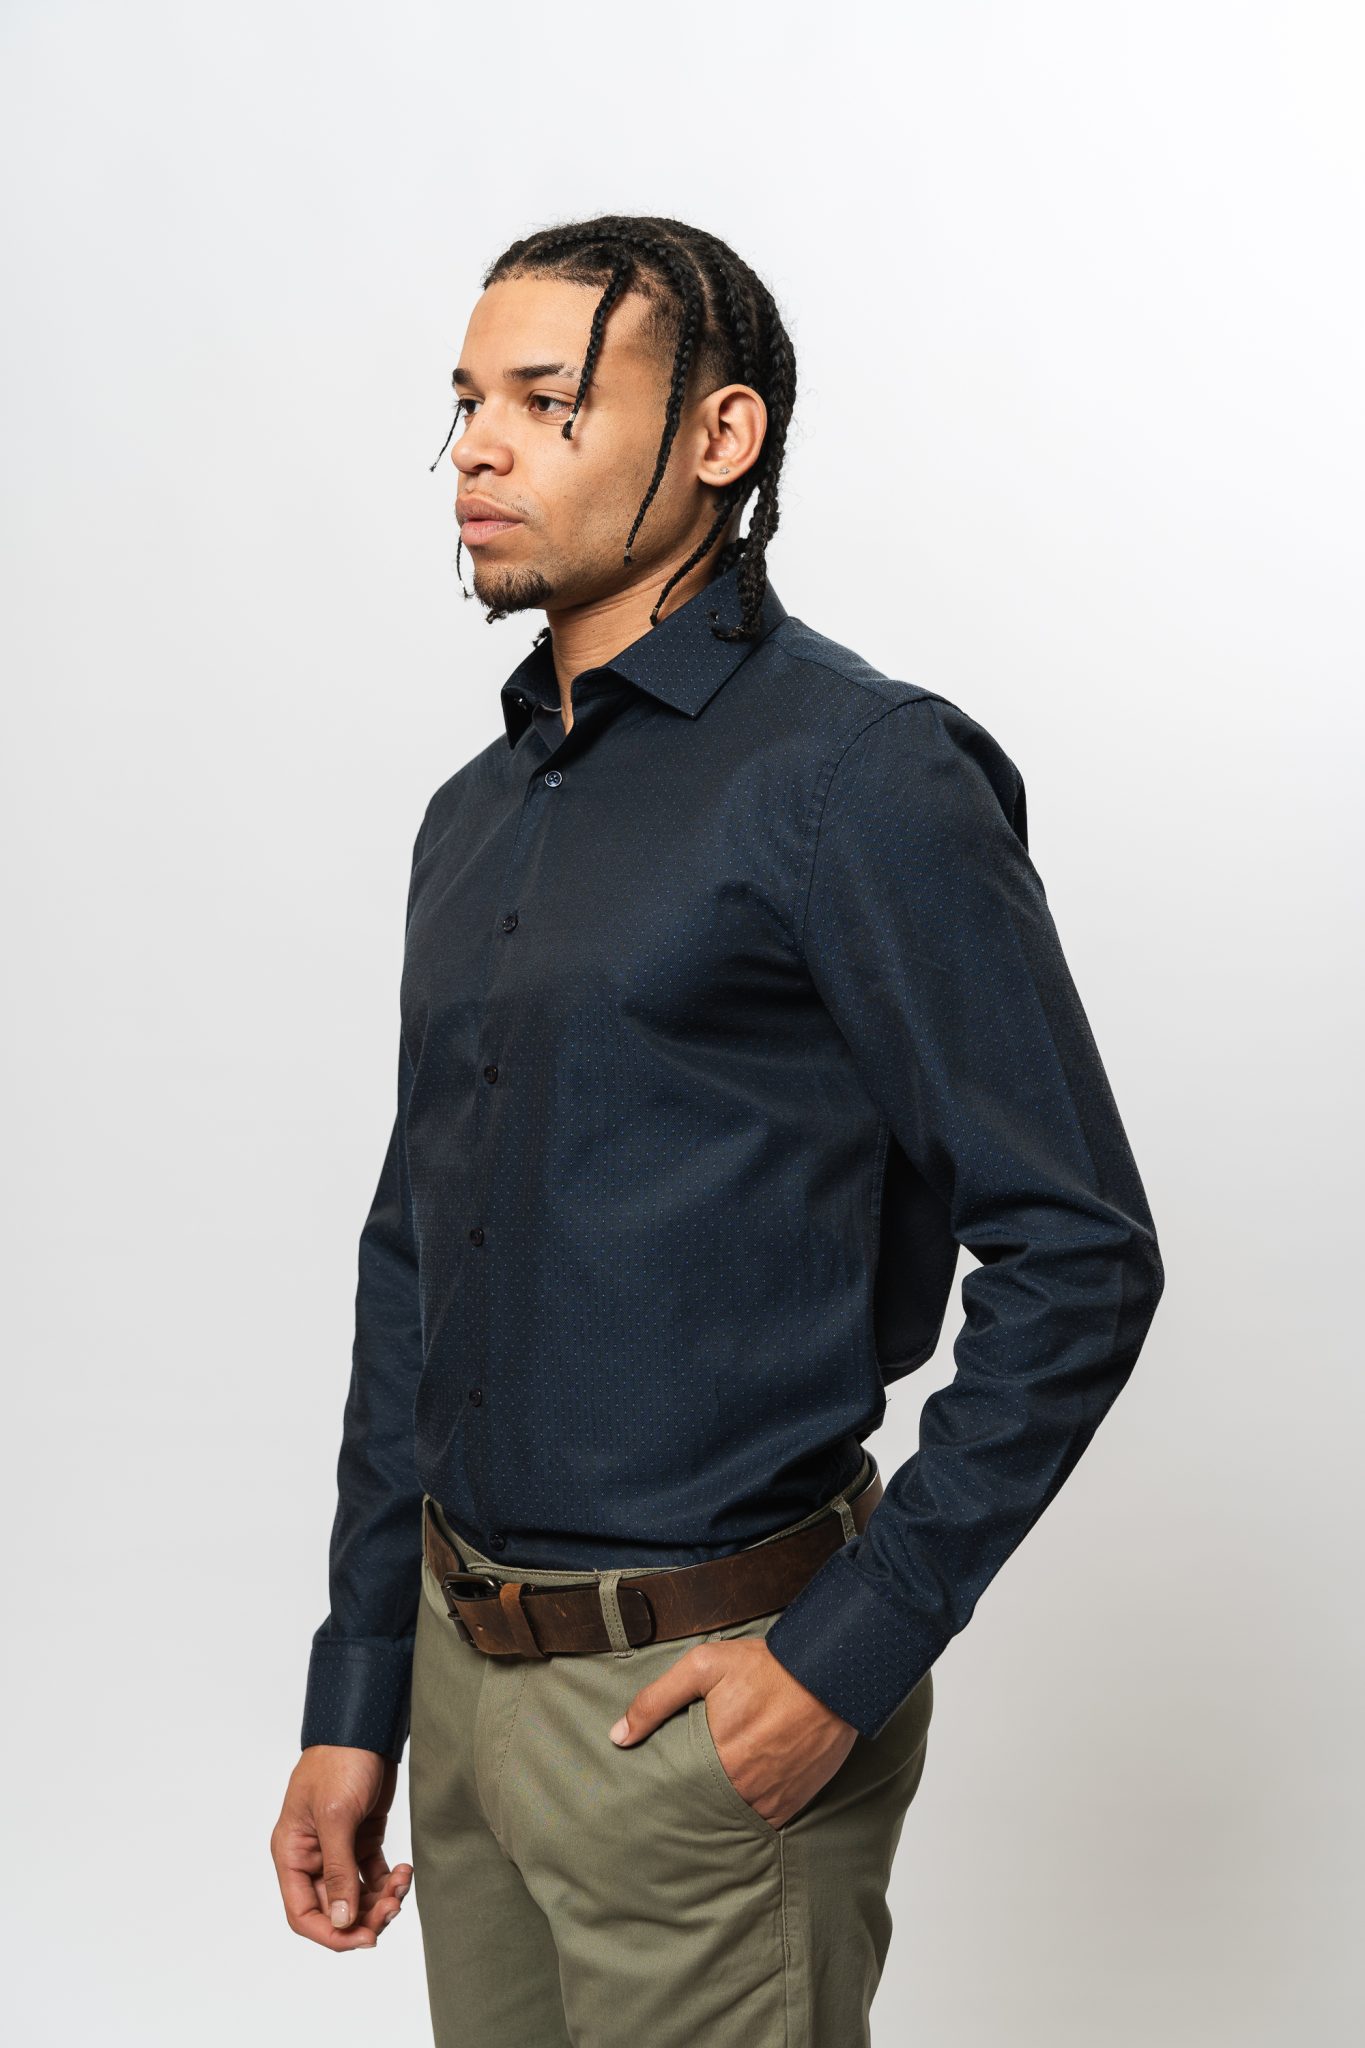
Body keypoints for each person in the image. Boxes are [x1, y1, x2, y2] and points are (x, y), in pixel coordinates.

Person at [270, 213, 1164, 2047]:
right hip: (459, 1688)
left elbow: (1077, 1254)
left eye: (545, 401)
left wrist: (848, 1656)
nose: (479, 450)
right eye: (463, 403)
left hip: (703, 1703)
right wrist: (357, 1688)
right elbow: (413, 1263)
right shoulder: (473, 814)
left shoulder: (858, 775)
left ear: (717, 437)